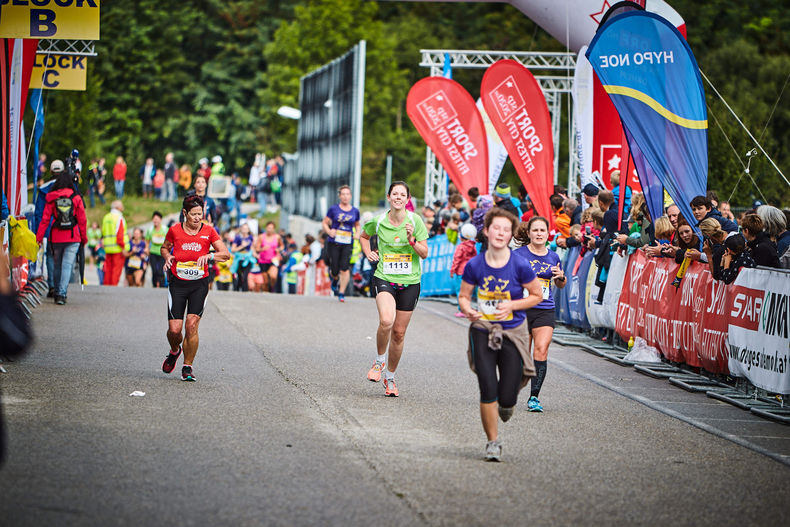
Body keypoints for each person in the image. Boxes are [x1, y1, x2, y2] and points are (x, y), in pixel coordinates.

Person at [458, 208, 543, 461]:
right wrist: (468, 310)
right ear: (486, 230)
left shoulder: (520, 265)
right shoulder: (475, 264)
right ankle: (492, 442)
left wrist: (513, 305)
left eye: (506, 229)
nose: (501, 233)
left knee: (507, 396)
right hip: (483, 328)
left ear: (510, 235)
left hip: (513, 330)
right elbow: (463, 296)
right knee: (487, 385)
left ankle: (507, 404)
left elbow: (537, 295)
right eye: (496, 228)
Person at [360, 181, 429, 397]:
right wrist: (368, 252)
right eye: (395, 194)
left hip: (410, 281)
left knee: (399, 333)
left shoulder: (415, 220)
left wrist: (411, 240)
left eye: (402, 195)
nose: (398, 197)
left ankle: (390, 378)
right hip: (385, 277)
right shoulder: (378, 221)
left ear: (408, 200)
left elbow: (424, 253)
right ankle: (379, 361)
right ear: (389, 197)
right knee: (386, 321)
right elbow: (363, 236)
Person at [160, 194, 230, 382]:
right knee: (175, 330)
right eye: (194, 214)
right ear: (185, 213)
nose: (198, 217)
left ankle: (187, 366)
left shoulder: (209, 231)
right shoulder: (174, 230)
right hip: (177, 283)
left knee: (191, 325)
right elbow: (164, 247)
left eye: (200, 213)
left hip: (199, 284)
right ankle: (175, 351)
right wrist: (167, 257)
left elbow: (225, 254)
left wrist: (209, 256)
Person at [513, 216, 567, 413]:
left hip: (545, 309)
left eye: (542, 230)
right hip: (522, 309)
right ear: (528, 233)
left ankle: (534, 397)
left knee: (541, 349)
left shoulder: (554, 257)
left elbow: (560, 283)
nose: (538, 234)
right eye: (535, 230)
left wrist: (561, 278)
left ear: (547, 234)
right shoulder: (518, 255)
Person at [35, 168, 88, 304]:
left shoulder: (52, 199)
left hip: (57, 237)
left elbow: (45, 220)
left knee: (57, 264)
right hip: (73, 236)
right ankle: (62, 294)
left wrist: (39, 238)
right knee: (67, 265)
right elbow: (82, 220)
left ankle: (56, 289)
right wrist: (84, 237)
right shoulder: (76, 198)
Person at [322, 185, 361, 302]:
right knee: (334, 269)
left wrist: (358, 233)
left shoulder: (355, 211)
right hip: (334, 242)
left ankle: (341, 292)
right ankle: (334, 279)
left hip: (348, 242)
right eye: (343, 194)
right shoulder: (333, 209)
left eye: (347, 194)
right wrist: (329, 231)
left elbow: (357, 224)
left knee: (345, 268)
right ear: (339, 196)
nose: (345, 196)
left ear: (350, 196)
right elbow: (324, 223)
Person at [450, 223, 478, 317]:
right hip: (470, 272)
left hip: (460, 272)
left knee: (460, 292)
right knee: (468, 292)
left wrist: (452, 270)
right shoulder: (473, 247)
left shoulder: (461, 247)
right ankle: (468, 308)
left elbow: (457, 259)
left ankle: (462, 310)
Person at [101, 200, 130, 286]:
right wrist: (123, 248)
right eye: (122, 206)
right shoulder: (119, 218)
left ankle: (106, 287)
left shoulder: (106, 217)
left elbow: (103, 232)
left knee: (108, 269)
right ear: (118, 207)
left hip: (108, 248)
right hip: (118, 248)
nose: (123, 207)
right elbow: (120, 235)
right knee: (116, 270)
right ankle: (113, 288)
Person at [254, 221, 283, 292]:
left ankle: (272, 287)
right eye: (268, 228)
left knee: (273, 276)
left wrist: (278, 249)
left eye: (271, 228)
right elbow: (257, 249)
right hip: (263, 261)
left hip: (273, 260)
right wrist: (262, 249)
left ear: (274, 229)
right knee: (265, 281)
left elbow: (282, 246)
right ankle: (266, 292)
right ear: (266, 228)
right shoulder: (261, 237)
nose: (269, 229)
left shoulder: (277, 237)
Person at [231, 222, 256, 291]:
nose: (245, 230)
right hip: (239, 258)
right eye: (243, 228)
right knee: (239, 274)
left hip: (248, 259)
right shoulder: (238, 237)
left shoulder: (251, 238)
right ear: (241, 229)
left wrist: (255, 255)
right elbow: (233, 249)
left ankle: (245, 290)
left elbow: (252, 248)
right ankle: (237, 288)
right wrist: (242, 246)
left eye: (246, 228)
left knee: (245, 275)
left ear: (248, 230)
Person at [146, 211, 169, 288]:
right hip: (153, 253)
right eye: (154, 219)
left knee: (160, 271)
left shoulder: (165, 229)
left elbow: (169, 240)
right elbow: (147, 241)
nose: (155, 221)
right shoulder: (150, 230)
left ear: (160, 220)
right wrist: (146, 249)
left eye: (157, 219)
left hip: (162, 253)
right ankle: (155, 285)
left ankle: (161, 285)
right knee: (154, 271)